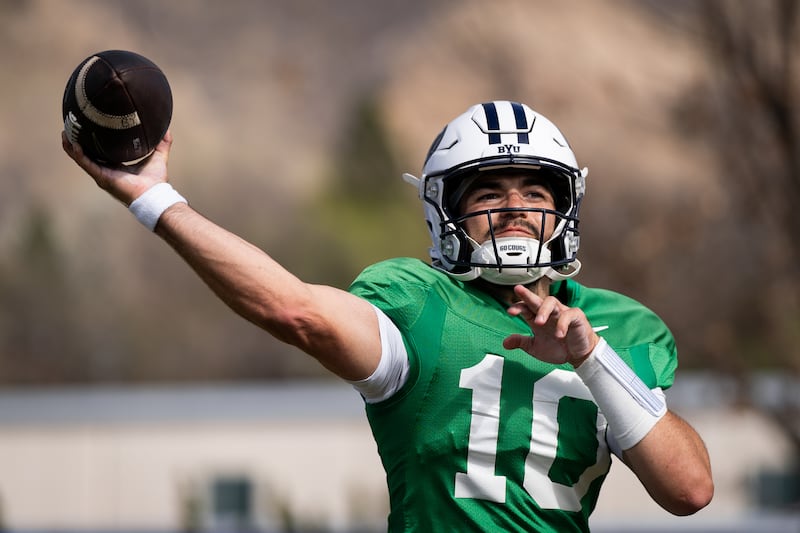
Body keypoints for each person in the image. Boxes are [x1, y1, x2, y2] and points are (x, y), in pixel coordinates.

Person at [62, 100, 713, 532]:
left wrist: (591, 357)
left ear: (565, 207)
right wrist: (157, 201)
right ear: (446, 212)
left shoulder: (618, 326)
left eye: (535, 190)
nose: (515, 208)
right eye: (489, 190)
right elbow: (297, 309)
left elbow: (689, 490)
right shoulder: (419, 300)